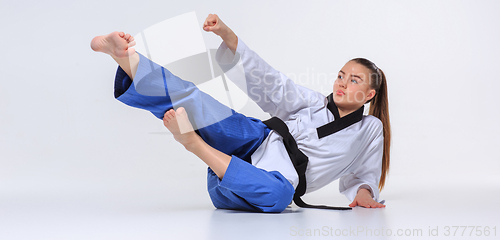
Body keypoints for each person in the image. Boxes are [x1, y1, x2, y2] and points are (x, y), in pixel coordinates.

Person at [90, 14, 391, 213]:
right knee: (194, 99)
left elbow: (366, 168)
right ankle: (127, 58)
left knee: (280, 197)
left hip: (242, 182)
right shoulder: (314, 102)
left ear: (369, 95)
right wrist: (229, 37)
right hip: (253, 140)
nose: (342, 83)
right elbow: (272, 83)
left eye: (354, 80)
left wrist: (364, 192)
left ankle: (193, 143)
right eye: (341, 75)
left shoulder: (370, 128)